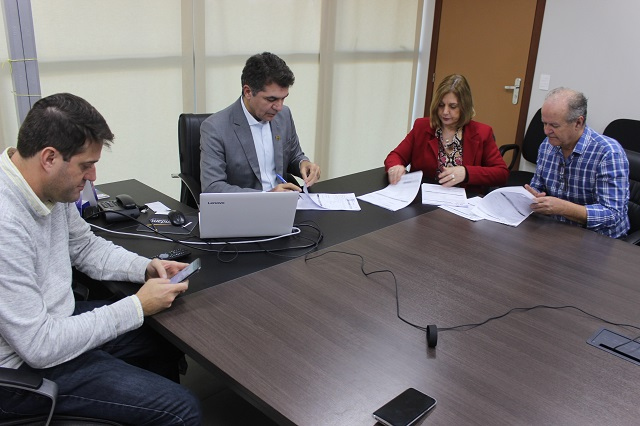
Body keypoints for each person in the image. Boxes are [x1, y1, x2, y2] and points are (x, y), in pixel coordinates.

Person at [0, 93, 201, 424]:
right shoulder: (7, 222)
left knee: (163, 337)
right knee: (183, 409)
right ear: (49, 158)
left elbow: (85, 247)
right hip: (22, 369)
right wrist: (137, 306)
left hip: (53, 322)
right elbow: (39, 346)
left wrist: (144, 269)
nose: (93, 176)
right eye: (86, 165)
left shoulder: (49, 189)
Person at [200, 51, 321, 193]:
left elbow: (294, 156)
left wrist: (303, 163)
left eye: (283, 98)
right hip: (246, 205)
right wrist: (267, 196)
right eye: (271, 99)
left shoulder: (284, 115)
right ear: (248, 92)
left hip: (286, 201)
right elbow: (212, 187)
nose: (279, 107)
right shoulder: (215, 128)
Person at [525, 87, 629, 238]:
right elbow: (537, 186)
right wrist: (533, 196)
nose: (546, 131)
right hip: (557, 229)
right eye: (544, 123)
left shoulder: (608, 153)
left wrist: (563, 208)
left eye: (554, 125)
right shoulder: (547, 145)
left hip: (599, 238)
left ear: (578, 123)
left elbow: (613, 214)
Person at [385, 74, 508, 193]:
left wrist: (466, 173)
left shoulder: (482, 133)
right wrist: (395, 167)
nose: (445, 112)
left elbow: (502, 173)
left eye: (453, 106)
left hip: (463, 200)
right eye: (441, 105)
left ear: (464, 107)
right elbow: (395, 156)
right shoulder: (422, 127)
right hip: (424, 198)